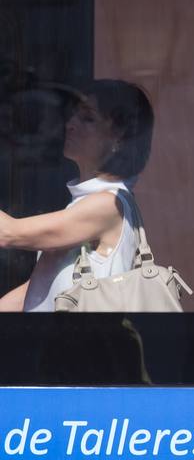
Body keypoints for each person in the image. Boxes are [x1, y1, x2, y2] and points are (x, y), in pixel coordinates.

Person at [0, 80, 154, 312]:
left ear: (119, 137)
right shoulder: (86, 202)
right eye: (74, 115)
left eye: (87, 118)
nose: (70, 124)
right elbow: (37, 291)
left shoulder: (108, 204)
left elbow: (8, 233)